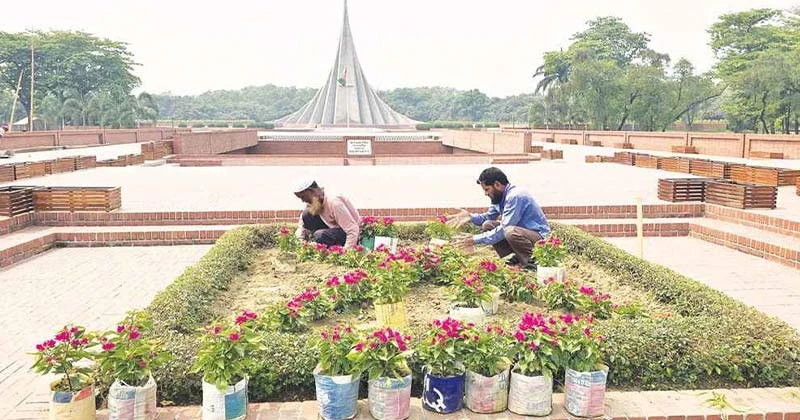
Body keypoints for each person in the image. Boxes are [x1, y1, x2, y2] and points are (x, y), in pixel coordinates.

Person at [448, 167, 550, 268]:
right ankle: (516, 258)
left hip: (539, 238)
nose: (486, 193)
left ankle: (532, 263)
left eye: (487, 189)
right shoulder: (499, 197)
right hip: (522, 233)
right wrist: (470, 217)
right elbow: (488, 217)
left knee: (510, 231)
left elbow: (504, 228)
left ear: (497, 184)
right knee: (488, 225)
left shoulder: (515, 196)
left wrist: (475, 239)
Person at [293, 179, 362, 249]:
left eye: (303, 197)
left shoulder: (334, 202)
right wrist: (299, 242)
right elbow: (302, 227)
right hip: (332, 230)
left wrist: (346, 251)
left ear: (312, 191)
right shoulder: (314, 201)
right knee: (307, 214)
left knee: (319, 235)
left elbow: (353, 230)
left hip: (351, 234)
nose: (303, 200)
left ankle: (332, 248)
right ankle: (318, 244)